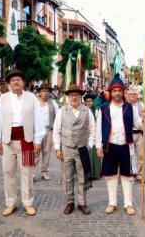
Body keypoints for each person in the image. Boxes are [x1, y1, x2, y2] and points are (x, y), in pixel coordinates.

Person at [0, 69, 45, 217]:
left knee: (27, 173)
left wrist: (38, 139)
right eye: (13, 80)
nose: (16, 82)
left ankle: (28, 203)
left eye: (18, 80)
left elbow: (38, 119)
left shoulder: (32, 98)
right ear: (9, 83)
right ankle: (11, 203)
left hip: (26, 140)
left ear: (23, 82)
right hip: (8, 141)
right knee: (8, 172)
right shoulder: (3, 99)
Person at [96, 74, 143, 216]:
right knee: (110, 175)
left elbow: (137, 124)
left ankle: (128, 204)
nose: (117, 93)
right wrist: (99, 146)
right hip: (110, 144)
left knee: (127, 175)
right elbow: (99, 128)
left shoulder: (129, 107)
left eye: (120, 91)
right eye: (114, 91)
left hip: (126, 144)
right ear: (110, 92)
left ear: (123, 92)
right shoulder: (103, 108)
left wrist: (144, 118)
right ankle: (112, 203)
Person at [53, 84, 96, 215]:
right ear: (68, 97)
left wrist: (89, 145)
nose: (74, 97)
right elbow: (56, 130)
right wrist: (57, 148)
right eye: (71, 95)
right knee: (68, 178)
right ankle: (69, 203)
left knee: (82, 177)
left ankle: (82, 203)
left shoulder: (87, 111)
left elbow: (92, 130)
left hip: (82, 149)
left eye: (76, 95)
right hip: (66, 148)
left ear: (80, 96)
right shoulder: (62, 111)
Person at [35, 83, 58, 181]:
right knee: (35, 152)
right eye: (43, 91)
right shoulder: (34, 103)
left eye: (47, 91)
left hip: (48, 130)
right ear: (39, 92)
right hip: (36, 131)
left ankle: (45, 172)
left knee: (46, 152)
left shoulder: (53, 103)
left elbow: (58, 116)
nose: (45, 93)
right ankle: (32, 173)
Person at [126, 88, 145, 183]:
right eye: (131, 94)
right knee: (128, 155)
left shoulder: (141, 105)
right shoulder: (124, 105)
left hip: (139, 133)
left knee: (141, 155)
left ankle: (139, 174)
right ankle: (128, 173)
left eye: (134, 94)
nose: (133, 95)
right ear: (127, 96)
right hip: (128, 133)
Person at [83, 92, 100, 179]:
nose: (89, 103)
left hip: (94, 133)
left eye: (90, 101)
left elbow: (98, 122)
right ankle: (87, 173)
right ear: (85, 102)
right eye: (87, 101)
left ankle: (94, 173)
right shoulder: (83, 110)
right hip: (85, 134)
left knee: (94, 153)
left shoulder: (96, 110)